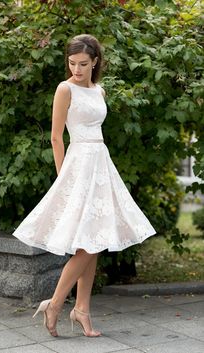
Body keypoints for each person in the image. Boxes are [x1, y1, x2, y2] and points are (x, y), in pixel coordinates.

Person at [13, 34, 156, 337]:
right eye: (71, 63)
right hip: (77, 164)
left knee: (93, 241)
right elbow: (55, 137)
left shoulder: (99, 90)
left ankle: (82, 310)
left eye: (82, 64)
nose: (76, 69)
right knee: (91, 242)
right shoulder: (65, 89)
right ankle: (55, 303)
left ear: (95, 63)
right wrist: (63, 176)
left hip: (100, 162)